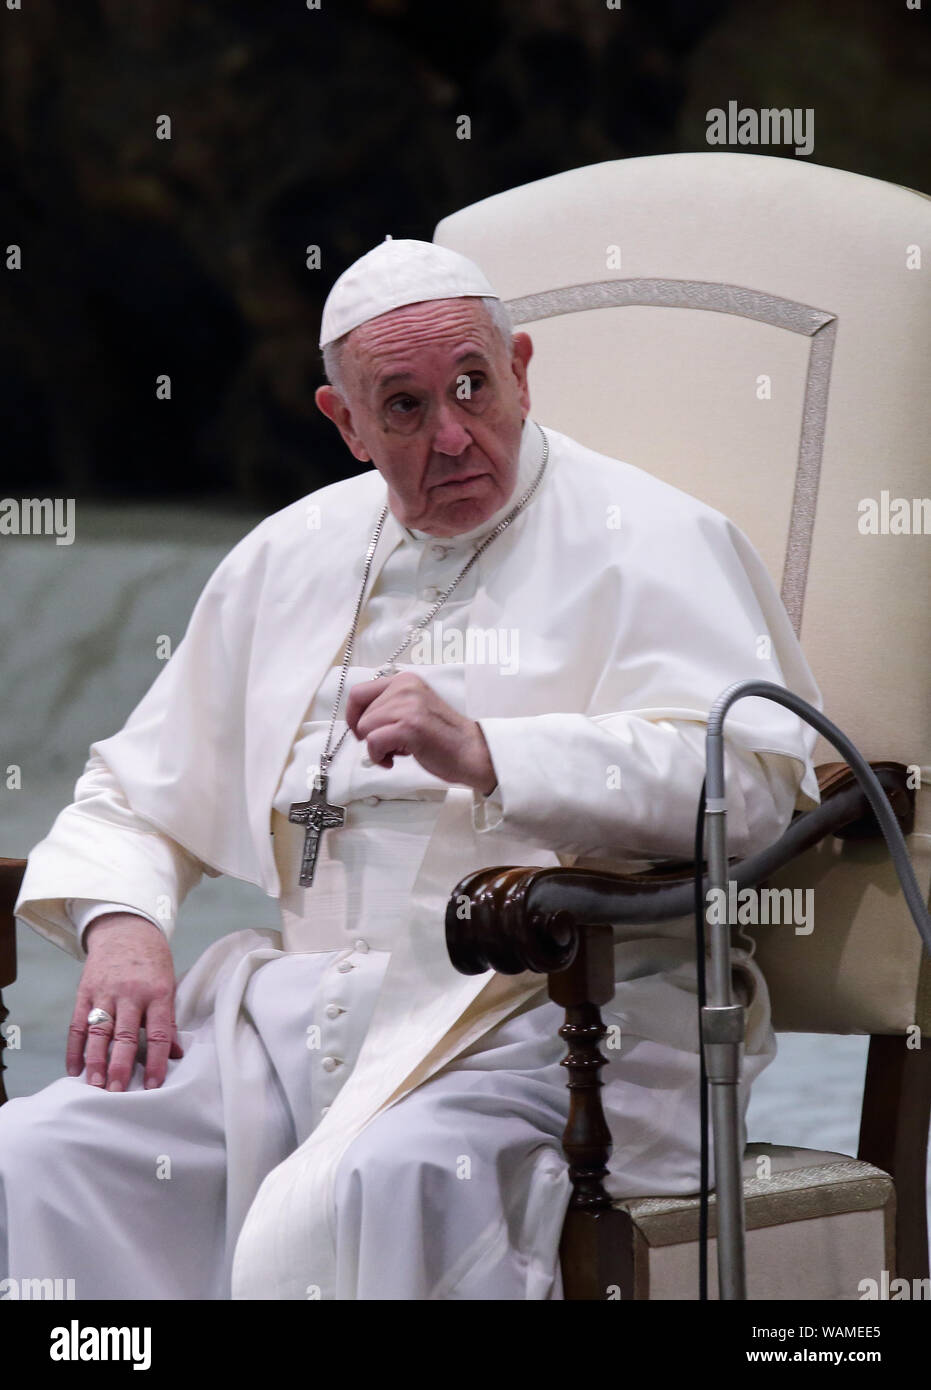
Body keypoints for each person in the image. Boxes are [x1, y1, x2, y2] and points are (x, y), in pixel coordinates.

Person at [1, 238, 821, 1301]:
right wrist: (121, 928)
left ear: (520, 369)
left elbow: (751, 786)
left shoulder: (654, 537)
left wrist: (492, 751)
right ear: (343, 423)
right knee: (45, 1153)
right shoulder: (286, 555)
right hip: (301, 1013)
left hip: (547, 1016)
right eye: (402, 406)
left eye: (473, 387)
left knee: (386, 1183)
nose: (451, 434)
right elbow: (132, 789)